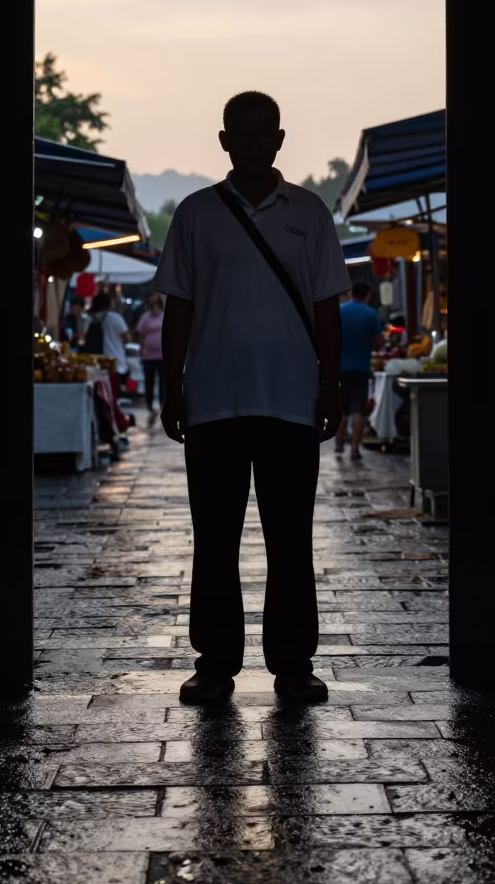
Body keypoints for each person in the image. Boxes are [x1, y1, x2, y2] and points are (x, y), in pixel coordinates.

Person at [154, 90, 350, 705]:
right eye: (242, 133)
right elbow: (177, 308)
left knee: (291, 537)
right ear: (224, 141)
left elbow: (327, 308)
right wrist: (171, 383)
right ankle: (214, 662)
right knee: (215, 538)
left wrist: (330, 382)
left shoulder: (311, 213)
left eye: (265, 133)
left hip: (291, 400)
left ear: (280, 140)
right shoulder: (195, 214)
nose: (254, 143)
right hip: (213, 400)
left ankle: (294, 665)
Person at [336, 280, 385, 461]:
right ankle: (355, 449)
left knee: (342, 408)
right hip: (361, 368)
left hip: (340, 368)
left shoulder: (340, 312)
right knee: (358, 409)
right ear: (367, 296)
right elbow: (379, 341)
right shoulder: (370, 314)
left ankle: (339, 443)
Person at [137, 292, 165, 424]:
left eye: (156, 305)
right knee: (149, 381)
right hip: (148, 356)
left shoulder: (164, 317)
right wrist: (141, 351)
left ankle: (162, 403)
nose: (154, 307)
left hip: (162, 355)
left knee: (163, 381)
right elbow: (141, 335)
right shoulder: (145, 318)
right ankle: (149, 405)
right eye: (152, 305)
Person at [87, 291, 129, 380]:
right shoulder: (115, 317)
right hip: (115, 361)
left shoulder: (90, 318)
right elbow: (126, 337)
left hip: (95, 360)